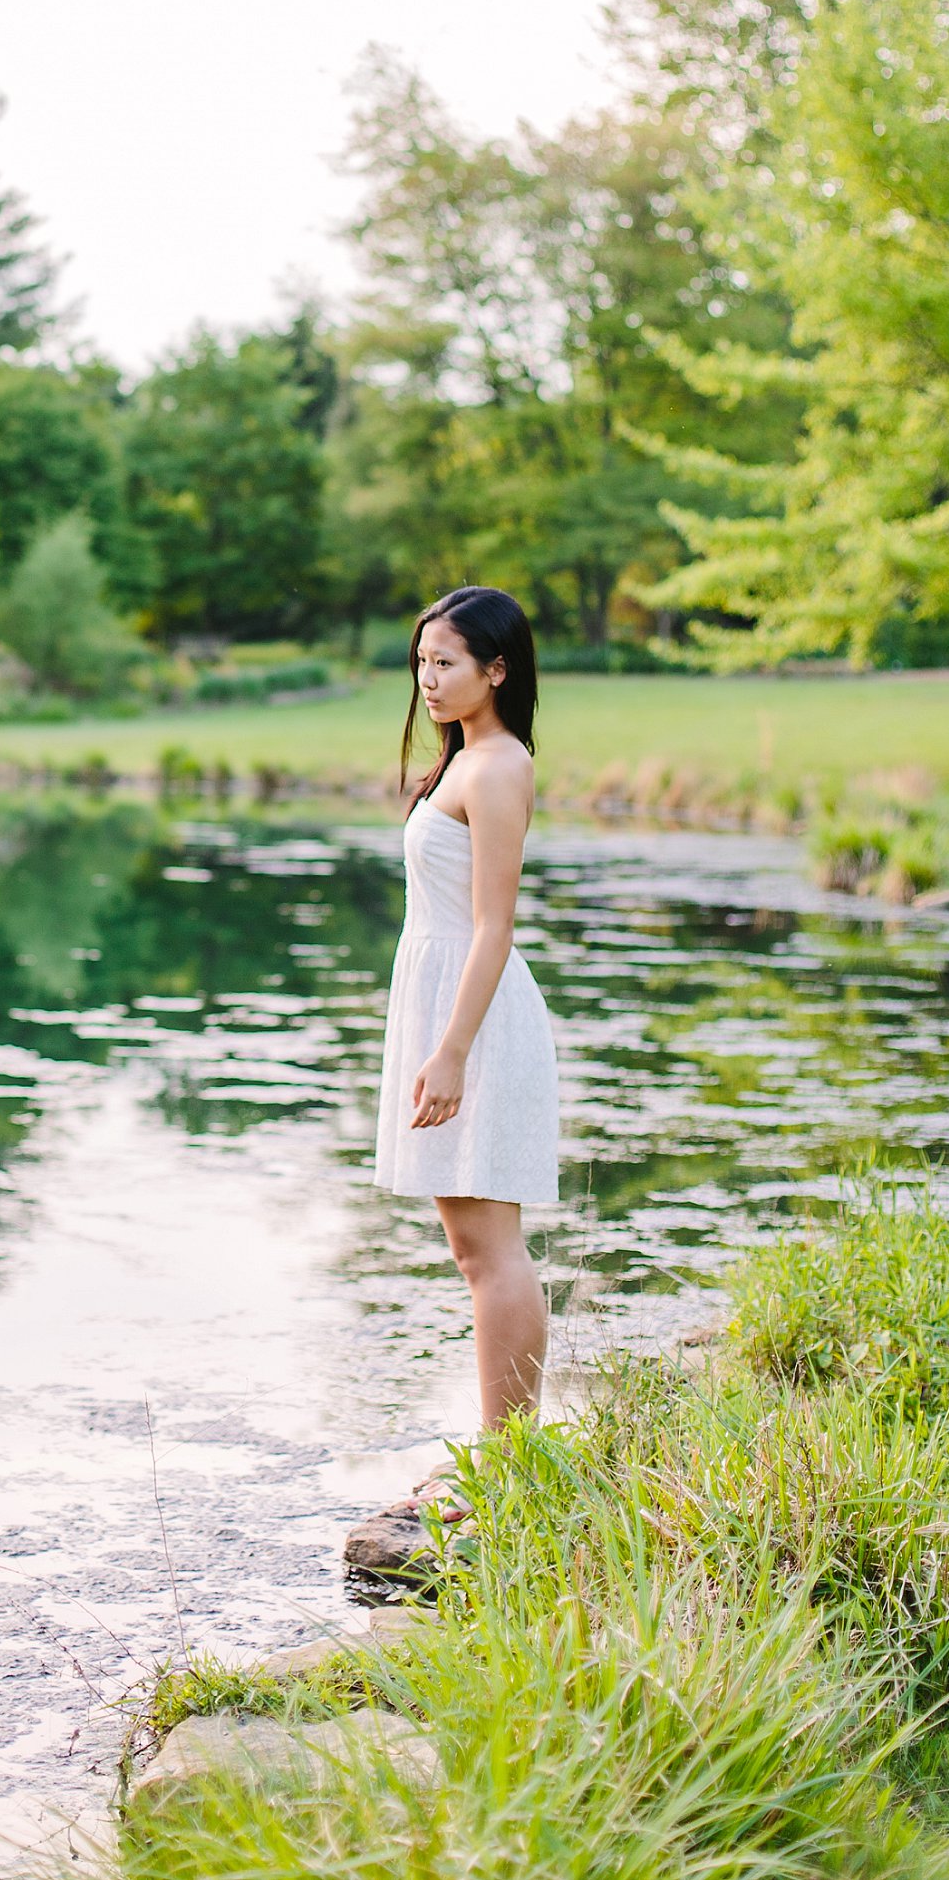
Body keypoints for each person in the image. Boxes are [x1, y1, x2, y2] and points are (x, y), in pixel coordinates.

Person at [376, 583, 558, 1443]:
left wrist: (449, 1051)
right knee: (474, 1250)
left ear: (497, 669)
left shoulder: (499, 764)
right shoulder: (463, 758)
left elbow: (493, 927)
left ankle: (507, 1461)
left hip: (473, 1019)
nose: (428, 681)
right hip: (447, 1006)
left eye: (445, 663)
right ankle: (506, 1455)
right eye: (422, 663)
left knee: (491, 1251)